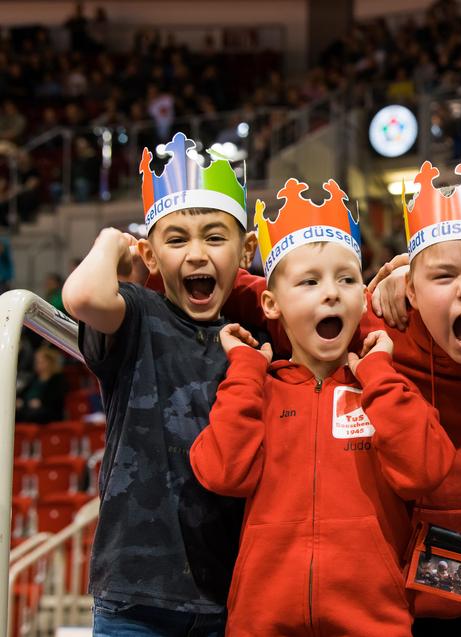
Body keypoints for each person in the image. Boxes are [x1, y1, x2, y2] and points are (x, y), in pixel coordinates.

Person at [218, 155, 461, 636]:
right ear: (414, 292)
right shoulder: (375, 328)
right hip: (399, 596)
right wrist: (150, 273)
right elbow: (287, 295)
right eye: (442, 277)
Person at [190, 178, 454, 636]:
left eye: (346, 280)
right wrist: (246, 372)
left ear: (362, 296)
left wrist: (378, 374)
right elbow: (222, 473)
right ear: (271, 304)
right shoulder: (257, 390)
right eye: (309, 282)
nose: (331, 293)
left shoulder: (383, 388)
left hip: (375, 624)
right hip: (261, 624)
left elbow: (426, 469)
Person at [62, 131, 255, 636]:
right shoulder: (137, 315)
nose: (197, 254)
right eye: (176, 240)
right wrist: (110, 242)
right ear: (150, 256)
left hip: (225, 593)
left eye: (215, 238)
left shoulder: (248, 341)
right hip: (134, 596)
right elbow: (82, 297)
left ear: (246, 251)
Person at [16, 346, 68, 424]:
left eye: (40, 362)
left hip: (46, 415)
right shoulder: (34, 378)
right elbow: (22, 395)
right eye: (36, 361)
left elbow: (54, 402)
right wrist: (23, 402)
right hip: (26, 410)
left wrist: (39, 403)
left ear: (49, 362)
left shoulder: (57, 379)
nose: (36, 364)